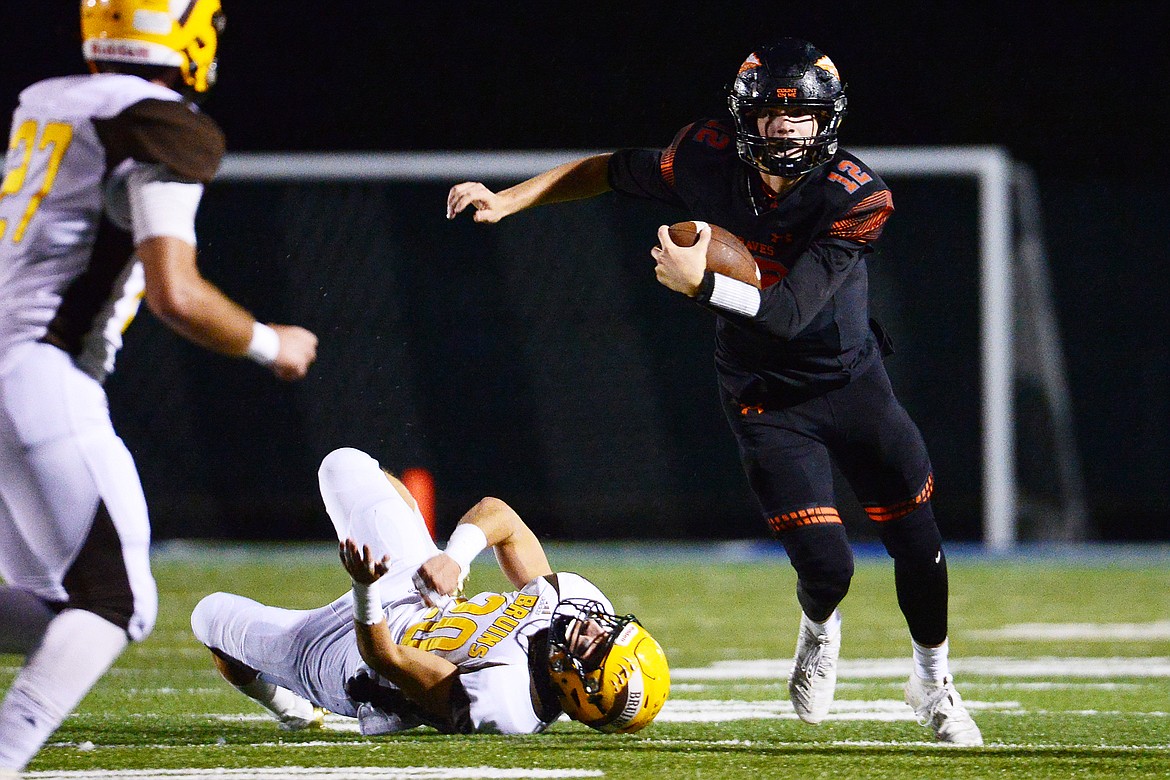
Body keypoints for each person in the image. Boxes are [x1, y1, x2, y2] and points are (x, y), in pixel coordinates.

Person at [446, 38, 982, 746]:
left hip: (853, 384)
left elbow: (792, 313)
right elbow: (608, 170)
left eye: (800, 115)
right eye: (768, 113)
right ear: (742, 117)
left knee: (920, 546)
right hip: (766, 394)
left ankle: (932, 681)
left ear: (829, 120)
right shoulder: (703, 155)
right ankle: (819, 629)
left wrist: (704, 284)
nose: (783, 128)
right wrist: (508, 200)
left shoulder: (856, 194)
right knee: (828, 565)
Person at [0, 1, 318, 772]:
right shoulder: (159, 119)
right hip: (41, 366)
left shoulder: (47, 101)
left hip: (14, 357)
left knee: (52, 609)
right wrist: (272, 343)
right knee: (118, 603)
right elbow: (175, 291)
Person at [191, 446, 670, 736]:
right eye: (610, 629)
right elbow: (501, 517)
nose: (593, 625)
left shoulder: (506, 703)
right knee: (343, 465)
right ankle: (407, 533)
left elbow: (387, 659)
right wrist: (454, 557)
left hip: (350, 661)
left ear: (579, 692)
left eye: (595, 645)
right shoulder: (577, 606)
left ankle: (291, 708)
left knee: (209, 616)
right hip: (421, 596)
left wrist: (364, 587)